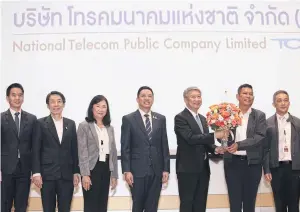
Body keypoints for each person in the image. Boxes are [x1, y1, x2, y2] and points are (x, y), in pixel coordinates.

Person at [174, 86, 225, 212]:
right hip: (187, 169)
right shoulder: (180, 118)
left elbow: (205, 142)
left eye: (199, 96)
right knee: (187, 204)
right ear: (186, 100)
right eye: (193, 97)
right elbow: (190, 138)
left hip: (203, 168)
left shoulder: (202, 119)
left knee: (200, 204)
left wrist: (215, 149)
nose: (197, 99)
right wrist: (215, 135)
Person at [121, 86, 170, 212]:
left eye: (149, 95)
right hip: (137, 171)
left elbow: (164, 145)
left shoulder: (161, 119)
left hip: (156, 170)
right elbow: (125, 147)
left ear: (153, 99)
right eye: (143, 96)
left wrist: (166, 169)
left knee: (152, 206)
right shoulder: (128, 119)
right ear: (137, 99)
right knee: (137, 205)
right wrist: (126, 170)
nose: (146, 98)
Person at [32, 91, 80, 212]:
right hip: (47, 175)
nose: (56, 104)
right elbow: (35, 149)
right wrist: (36, 172)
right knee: (48, 209)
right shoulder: (40, 123)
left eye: (59, 101)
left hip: (66, 175)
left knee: (65, 208)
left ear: (63, 104)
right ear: (48, 105)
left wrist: (76, 172)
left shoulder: (71, 124)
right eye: (52, 102)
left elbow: (74, 150)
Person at [223, 83, 267, 212]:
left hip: (252, 164)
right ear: (238, 96)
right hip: (232, 163)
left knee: (249, 203)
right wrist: (223, 141)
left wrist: (239, 145)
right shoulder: (228, 114)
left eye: (250, 94)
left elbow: (259, 137)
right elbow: (223, 136)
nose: (248, 96)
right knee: (234, 203)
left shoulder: (259, 115)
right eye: (245, 93)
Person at [77, 95, 118, 212]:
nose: (101, 109)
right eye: (98, 106)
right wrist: (85, 174)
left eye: (104, 106)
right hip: (91, 169)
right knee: (91, 205)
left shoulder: (109, 128)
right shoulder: (84, 126)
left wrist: (114, 174)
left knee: (102, 204)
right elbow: (82, 151)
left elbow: (113, 153)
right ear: (92, 108)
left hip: (105, 168)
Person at [1, 83, 37, 212]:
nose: (17, 98)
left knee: (21, 206)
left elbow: (35, 147)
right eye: (14, 95)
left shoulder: (32, 119)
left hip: (24, 170)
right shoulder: (1, 118)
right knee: (4, 206)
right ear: (7, 98)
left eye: (20, 95)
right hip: (5, 170)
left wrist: (35, 170)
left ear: (23, 98)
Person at [263, 90, 300, 212]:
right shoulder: (267, 124)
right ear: (274, 104)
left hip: (294, 169)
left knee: (294, 204)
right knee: (279, 204)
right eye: (279, 101)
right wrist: (267, 169)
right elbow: (265, 149)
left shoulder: (297, 123)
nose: (283, 103)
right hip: (276, 168)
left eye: (285, 100)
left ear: (289, 103)